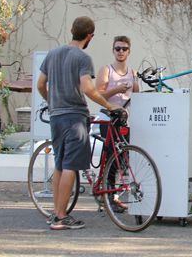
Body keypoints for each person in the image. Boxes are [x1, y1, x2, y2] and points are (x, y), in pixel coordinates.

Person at [37, 16, 118, 230]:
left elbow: (40, 84)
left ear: (73, 30)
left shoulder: (52, 54)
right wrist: (110, 107)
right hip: (75, 117)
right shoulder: (82, 57)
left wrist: (51, 101)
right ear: (90, 36)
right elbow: (88, 89)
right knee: (71, 166)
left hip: (57, 117)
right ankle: (61, 217)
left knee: (60, 164)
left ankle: (56, 213)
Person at [95, 35, 139, 211]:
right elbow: (97, 94)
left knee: (122, 158)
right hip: (108, 118)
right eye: (117, 48)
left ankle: (111, 194)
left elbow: (136, 95)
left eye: (124, 49)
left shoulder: (132, 72)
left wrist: (134, 83)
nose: (121, 52)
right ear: (113, 51)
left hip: (124, 119)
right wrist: (117, 89)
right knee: (111, 158)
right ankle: (108, 197)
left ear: (129, 51)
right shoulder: (106, 70)